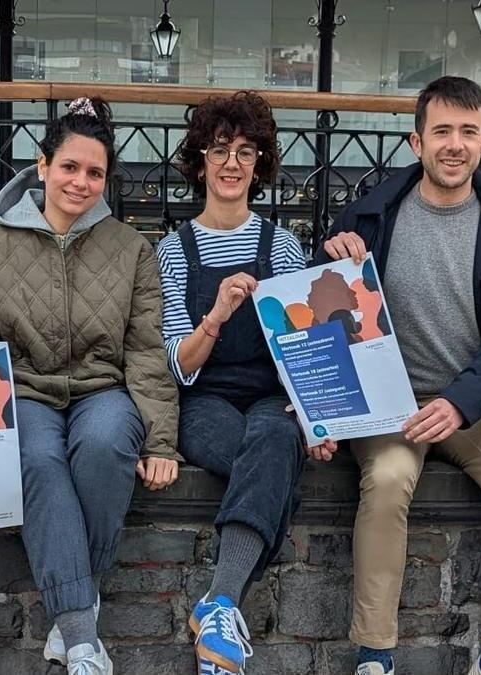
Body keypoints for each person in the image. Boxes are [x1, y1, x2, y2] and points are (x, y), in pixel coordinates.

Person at [315, 76, 481, 675]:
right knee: (390, 479)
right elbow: (325, 314)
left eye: (468, 132)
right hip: (388, 403)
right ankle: (375, 654)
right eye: (442, 130)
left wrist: (460, 401)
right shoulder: (370, 215)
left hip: (476, 404)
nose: (455, 143)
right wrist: (332, 259)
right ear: (417, 142)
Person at [0, 97, 180, 675]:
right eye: (70, 167)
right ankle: (83, 639)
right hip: (24, 390)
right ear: (43, 165)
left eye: (95, 172)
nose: (81, 182)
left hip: (103, 388)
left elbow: (146, 351)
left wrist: (159, 440)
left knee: (104, 445)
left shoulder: (131, 250)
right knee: (36, 458)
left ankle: (73, 616)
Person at [157, 90, 331, 674]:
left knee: (280, 436)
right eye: (220, 149)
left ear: (259, 165)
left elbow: (302, 345)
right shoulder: (173, 249)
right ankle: (222, 607)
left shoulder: (281, 244)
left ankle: (219, 601)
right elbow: (180, 363)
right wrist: (218, 315)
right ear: (200, 160)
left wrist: (315, 414)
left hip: (268, 393)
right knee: (275, 461)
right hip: (203, 399)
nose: (232, 163)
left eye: (246, 152)